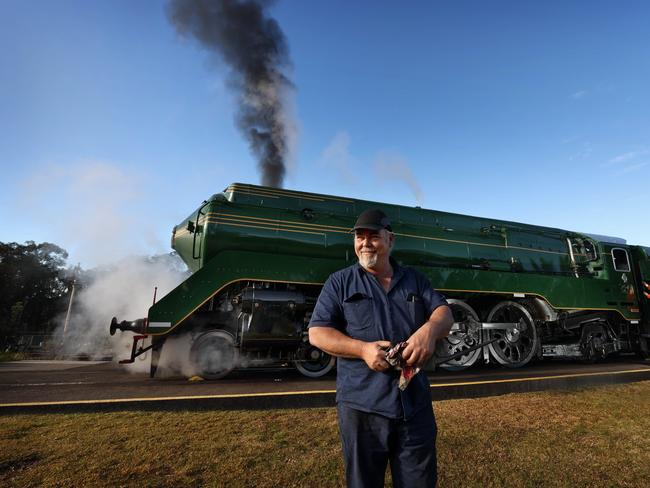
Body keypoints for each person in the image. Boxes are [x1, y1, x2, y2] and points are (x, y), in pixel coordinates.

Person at [308, 209, 453, 488]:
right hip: (362, 409)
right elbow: (317, 333)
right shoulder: (339, 282)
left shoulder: (415, 280)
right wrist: (362, 349)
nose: (365, 243)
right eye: (360, 237)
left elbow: (444, 313)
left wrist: (429, 332)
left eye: (373, 237)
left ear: (390, 239)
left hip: (414, 408)